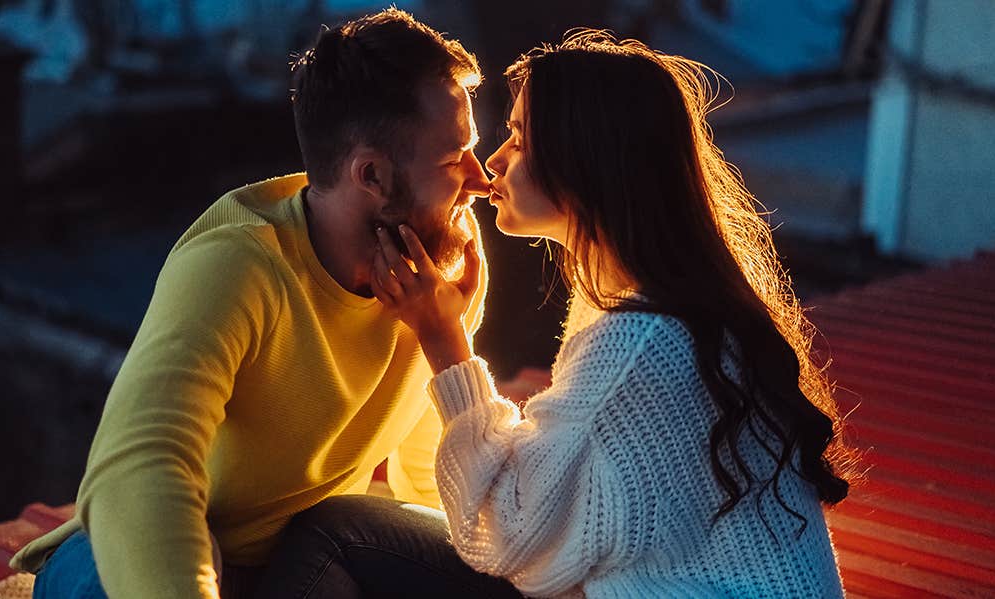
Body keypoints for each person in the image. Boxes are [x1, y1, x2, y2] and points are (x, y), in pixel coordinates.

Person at [8, 9, 521, 599]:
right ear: (373, 176)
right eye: (452, 158)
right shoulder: (239, 265)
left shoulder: (437, 267)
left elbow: (427, 473)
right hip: (157, 550)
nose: (480, 180)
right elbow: (138, 466)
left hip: (303, 559)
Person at [363, 32, 856, 597]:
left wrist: (443, 335)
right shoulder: (660, 305)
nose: (494, 161)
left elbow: (508, 534)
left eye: (520, 140)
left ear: (585, 160)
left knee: (341, 532)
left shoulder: (639, 338)